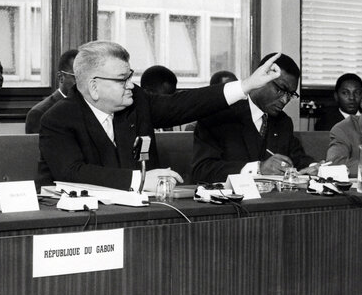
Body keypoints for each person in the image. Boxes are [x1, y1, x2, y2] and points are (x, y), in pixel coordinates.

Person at [38, 41, 283, 190]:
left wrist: (246, 85)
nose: (130, 85)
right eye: (123, 79)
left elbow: (187, 104)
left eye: (130, 75)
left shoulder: (137, 102)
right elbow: (72, 173)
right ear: (93, 86)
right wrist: (141, 180)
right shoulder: (57, 119)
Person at [192, 53, 316, 183]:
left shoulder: (283, 122)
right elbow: (202, 171)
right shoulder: (218, 116)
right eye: (280, 90)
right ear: (261, 79)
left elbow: (297, 158)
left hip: (273, 200)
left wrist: (313, 168)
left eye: (290, 94)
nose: (285, 100)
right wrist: (258, 169)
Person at [25, 49, 78, 134]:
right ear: (61, 77)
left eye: (85, 77)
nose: (82, 82)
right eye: (76, 77)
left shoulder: (92, 108)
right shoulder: (39, 113)